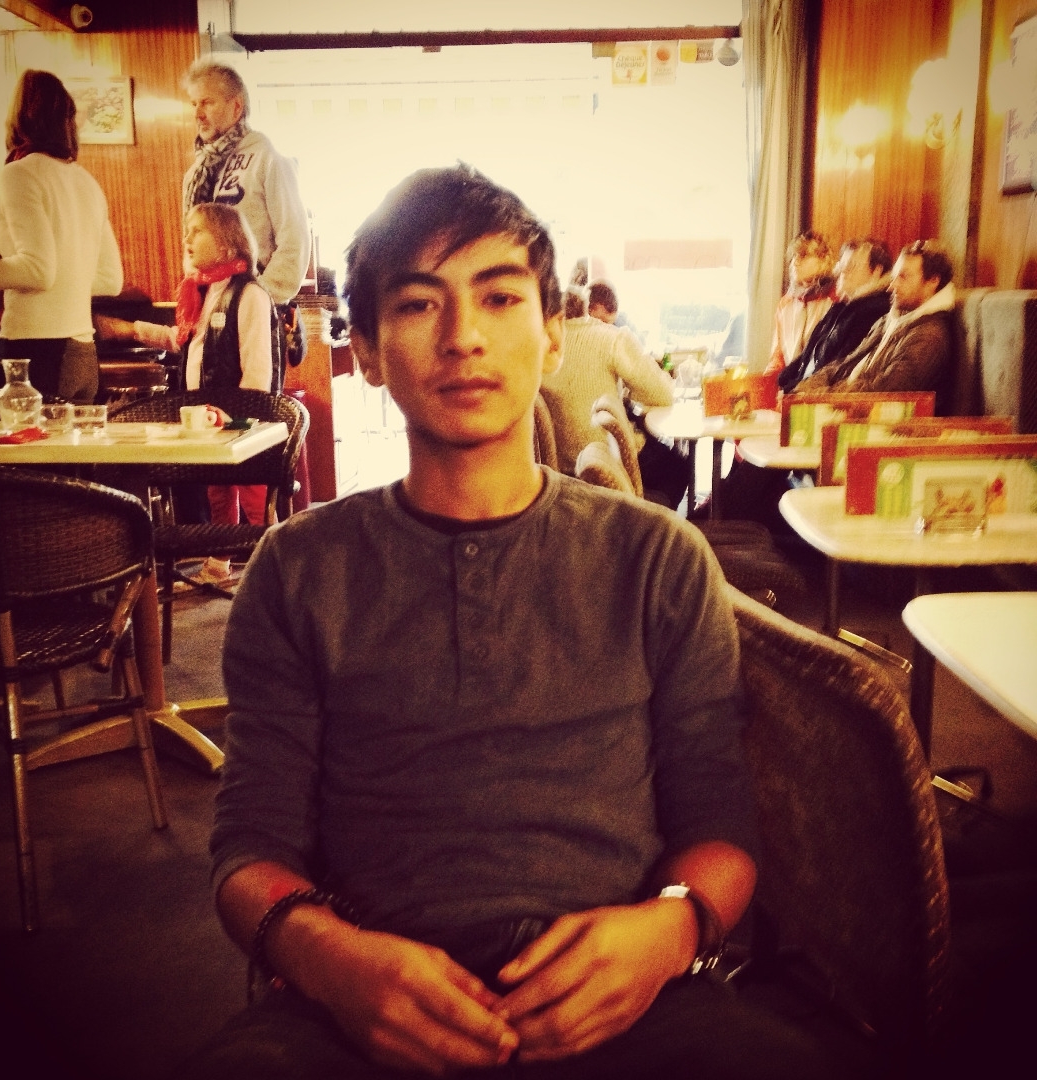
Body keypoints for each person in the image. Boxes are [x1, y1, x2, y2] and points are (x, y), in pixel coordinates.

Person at [175, 164, 844, 1080]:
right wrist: (327, 958)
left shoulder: (656, 559)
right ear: (364, 350)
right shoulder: (298, 572)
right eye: (419, 305)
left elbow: (721, 828)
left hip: (629, 998)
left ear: (553, 333)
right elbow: (250, 850)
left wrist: (668, 932)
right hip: (360, 1001)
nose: (464, 337)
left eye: (499, 297)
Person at [100, 202, 278, 585]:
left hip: (242, 420)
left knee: (254, 496)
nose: (187, 238)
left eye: (197, 230)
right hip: (210, 414)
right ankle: (219, 562)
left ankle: (277, 569)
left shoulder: (249, 295)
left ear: (227, 242)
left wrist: (240, 419)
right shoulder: (203, 292)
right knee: (218, 493)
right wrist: (129, 330)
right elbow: (184, 341)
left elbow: (258, 370)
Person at [0, 69, 123, 403]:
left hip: (38, 348)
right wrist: (66, 282)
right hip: (83, 351)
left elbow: (37, 270)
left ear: (18, 117)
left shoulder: (19, 173)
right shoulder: (86, 181)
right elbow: (111, 280)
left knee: (27, 438)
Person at [181, 59, 310, 307]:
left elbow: (294, 240)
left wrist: (259, 300)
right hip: (211, 306)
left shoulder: (268, 157)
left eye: (207, 102)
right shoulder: (195, 174)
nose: (198, 114)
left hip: (260, 308)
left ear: (237, 106)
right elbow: (190, 245)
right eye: (194, 104)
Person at [795, 240, 957, 409]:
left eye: (903, 277)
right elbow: (844, 364)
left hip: (874, 420)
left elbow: (881, 394)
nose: (891, 286)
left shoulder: (929, 336)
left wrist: (817, 397)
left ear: (933, 281)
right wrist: (807, 388)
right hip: (844, 408)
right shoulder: (890, 320)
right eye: (894, 277)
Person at [540, 288, 674, 475]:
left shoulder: (538, 348)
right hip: (610, 461)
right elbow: (663, 393)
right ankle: (636, 495)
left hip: (559, 471)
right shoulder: (612, 338)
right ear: (588, 309)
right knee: (678, 465)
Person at [776, 238, 893, 394]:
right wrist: (785, 379)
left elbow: (840, 364)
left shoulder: (875, 310)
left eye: (852, 266)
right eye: (842, 265)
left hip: (821, 396)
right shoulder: (841, 306)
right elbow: (808, 354)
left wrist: (794, 389)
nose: (843, 271)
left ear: (876, 271)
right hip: (802, 390)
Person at [762, 231, 836, 379]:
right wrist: (767, 381)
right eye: (793, 257)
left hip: (822, 383)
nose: (795, 262)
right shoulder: (785, 303)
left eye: (803, 255)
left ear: (823, 260)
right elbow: (778, 355)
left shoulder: (836, 299)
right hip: (790, 383)